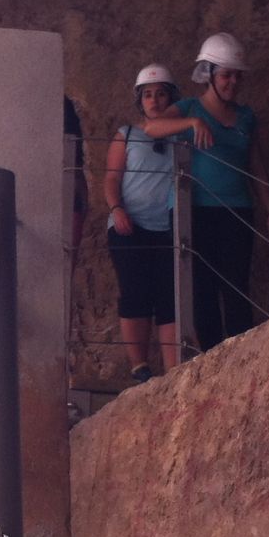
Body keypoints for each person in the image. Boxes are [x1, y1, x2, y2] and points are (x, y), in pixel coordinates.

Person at [143, 32, 269, 351]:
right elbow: (151, 127)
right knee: (202, 289)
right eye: (226, 75)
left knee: (236, 287)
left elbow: (256, 165)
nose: (233, 82)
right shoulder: (189, 107)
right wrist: (191, 123)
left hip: (238, 209)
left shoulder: (246, 116)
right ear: (209, 74)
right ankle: (213, 358)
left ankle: (242, 356)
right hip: (197, 210)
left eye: (237, 75)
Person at [104, 65, 181, 382]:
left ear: (171, 98)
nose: (155, 100)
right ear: (140, 101)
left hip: (168, 228)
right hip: (130, 225)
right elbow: (111, 179)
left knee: (169, 298)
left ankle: (174, 372)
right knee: (135, 293)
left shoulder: (181, 138)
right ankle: (140, 368)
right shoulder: (127, 135)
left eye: (161, 94)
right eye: (148, 94)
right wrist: (117, 209)